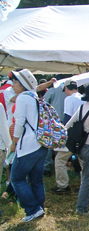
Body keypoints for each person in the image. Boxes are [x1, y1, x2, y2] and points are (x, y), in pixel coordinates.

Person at [10, 69, 47, 222]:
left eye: (16, 82)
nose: (13, 85)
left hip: (28, 146)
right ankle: (39, 207)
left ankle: (32, 209)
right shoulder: (34, 97)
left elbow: (19, 123)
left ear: (23, 84)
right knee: (36, 179)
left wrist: (14, 142)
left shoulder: (23, 98)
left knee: (16, 178)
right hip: (41, 144)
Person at [65, 83, 89, 214]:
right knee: (87, 178)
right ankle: (82, 208)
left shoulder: (82, 107)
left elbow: (68, 125)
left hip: (80, 147)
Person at [54, 81, 84, 193]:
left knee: (60, 159)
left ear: (67, 88)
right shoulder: (83, 98)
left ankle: (62, 185)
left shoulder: (69, 99)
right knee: (82, 161)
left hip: (72, 134)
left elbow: (67, 118)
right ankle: (84, 186)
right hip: (84, 133)